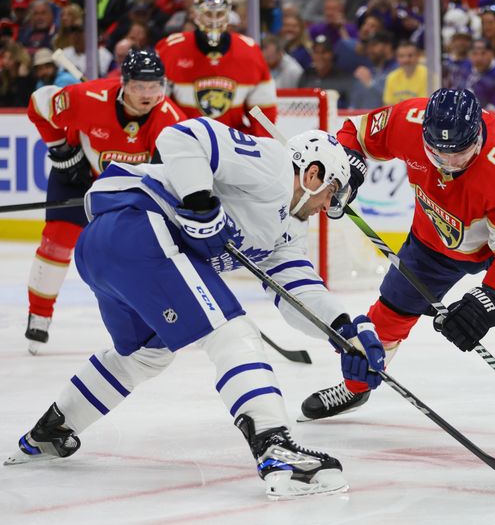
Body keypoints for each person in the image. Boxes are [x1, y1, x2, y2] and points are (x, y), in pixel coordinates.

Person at [5, 118, 385, 500]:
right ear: (313, 173)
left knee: (145, 355)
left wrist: (345, 331)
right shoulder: (273, 165)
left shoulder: (289, 232)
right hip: (138, 226)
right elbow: (182, 136)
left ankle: (51, 430)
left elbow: (298, 290)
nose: (327, 207)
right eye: (332, 195)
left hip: (105, 251)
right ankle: (277, 449)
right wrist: (198, 200)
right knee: (233, 333)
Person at [299, 88, 495, 423]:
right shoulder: (408, 120)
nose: (449, 162)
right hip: (433, 242)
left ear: (478, 133)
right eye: (438, 153)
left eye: (460, 153)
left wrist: (489, 296)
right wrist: (348, 164)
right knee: (388, 317)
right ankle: (355, 386)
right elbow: (355, 134)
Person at [24, 49, 186, 354]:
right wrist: (60, 150)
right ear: (123, 83)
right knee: (58, 240)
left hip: (123, 190)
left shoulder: (171, 121)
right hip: (78, 175)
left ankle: (155, 318)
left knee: (141, 251)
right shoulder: (89, 97)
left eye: (154, 86)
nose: (148, 95)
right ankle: (39, 314)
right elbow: (39, 102)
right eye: (139, 86)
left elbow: (171, 176)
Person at [155, 0, 278, 136]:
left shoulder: (250, 51)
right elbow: (158, 106)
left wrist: (260, 146)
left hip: (231, 143)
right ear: (195, 14)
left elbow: (264, 110)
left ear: (228, 15)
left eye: (219, 13)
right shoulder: (170, 49)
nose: (214, 20)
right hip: (184, 141)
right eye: (208, 13)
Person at [382, 40, 426, 105]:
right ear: (397, 58)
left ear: (418, 56)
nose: (406, 60)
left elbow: (424, 104)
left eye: (410, 55)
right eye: (401, 56)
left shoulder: (427, 75)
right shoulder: (391, 77)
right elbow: (388, 105)